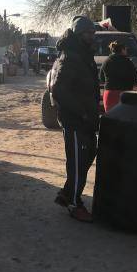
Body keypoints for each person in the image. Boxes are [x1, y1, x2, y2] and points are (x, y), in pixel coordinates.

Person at [49, 15, 100, 222]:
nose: (92, 36)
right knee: (78, 161)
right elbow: (58, 89)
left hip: (86, 118)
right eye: (88, 33)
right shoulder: (69, 57)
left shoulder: (84, 55)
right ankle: (73, 203)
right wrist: (82, 111)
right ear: (79, 34)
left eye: (93, 33)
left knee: (90, 152)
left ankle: (67, 193)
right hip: (75, 119)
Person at [99, 40, 137, 111]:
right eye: (126, 49)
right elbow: (136, 77)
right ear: (122, 50)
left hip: (109, 94)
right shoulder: (127, 61)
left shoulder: (106, 61)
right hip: (123, 95)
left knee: (110, 119)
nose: (126, 51)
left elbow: (101, 78)